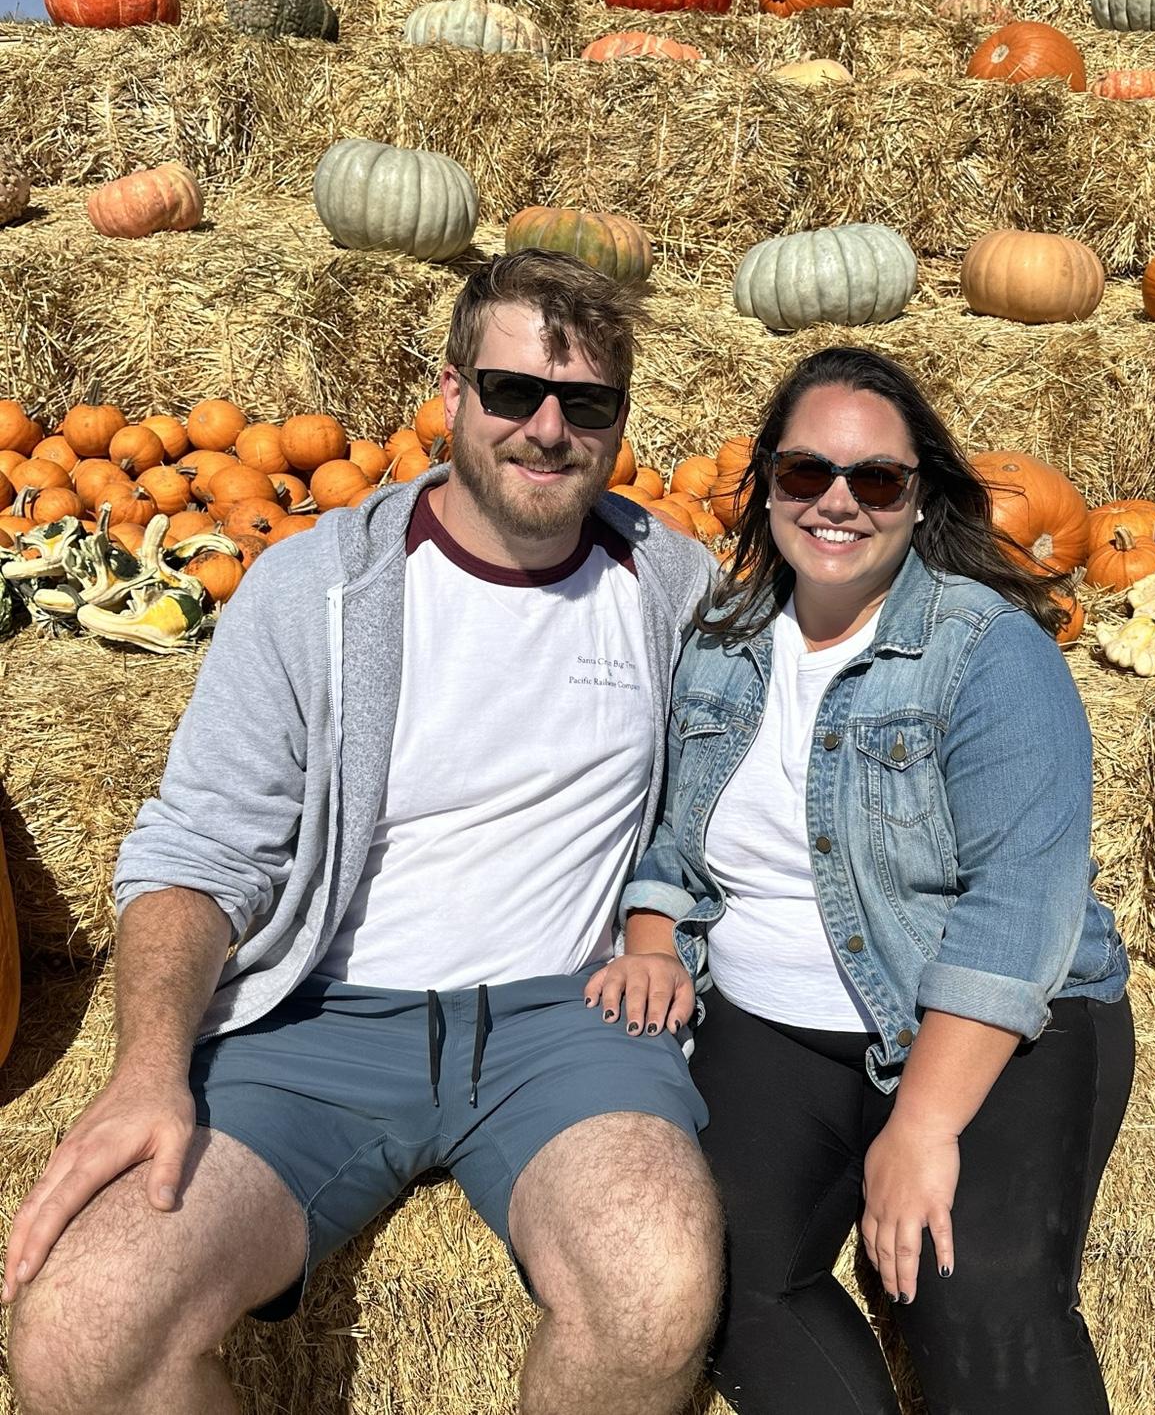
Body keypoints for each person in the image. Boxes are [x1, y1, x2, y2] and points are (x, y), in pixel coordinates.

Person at [4, 250, 724, 1415]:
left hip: (566, 1022)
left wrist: (662, 926)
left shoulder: (671, 587)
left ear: (619, 423)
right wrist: (146, 1072)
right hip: (319, 1023)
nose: (547, 429)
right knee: (85, 1334)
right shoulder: (313, 591)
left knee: (654, 1289)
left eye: (585, 403)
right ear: (449, 394)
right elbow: (199, 853)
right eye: (511, 393)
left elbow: (756, 778)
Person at [586, 345, 1135, 1414]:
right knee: (713, 1284)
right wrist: (654, 931)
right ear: (768, 484)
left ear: (920, 498)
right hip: (776, 1026)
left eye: (876, 479)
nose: (838, 502)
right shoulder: (723, 640)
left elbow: (1019, 910)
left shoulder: (989, 651)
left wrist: (922, 1130)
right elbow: (675, 842)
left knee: (975, 1300)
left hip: (980, 1022)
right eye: (806, 474)